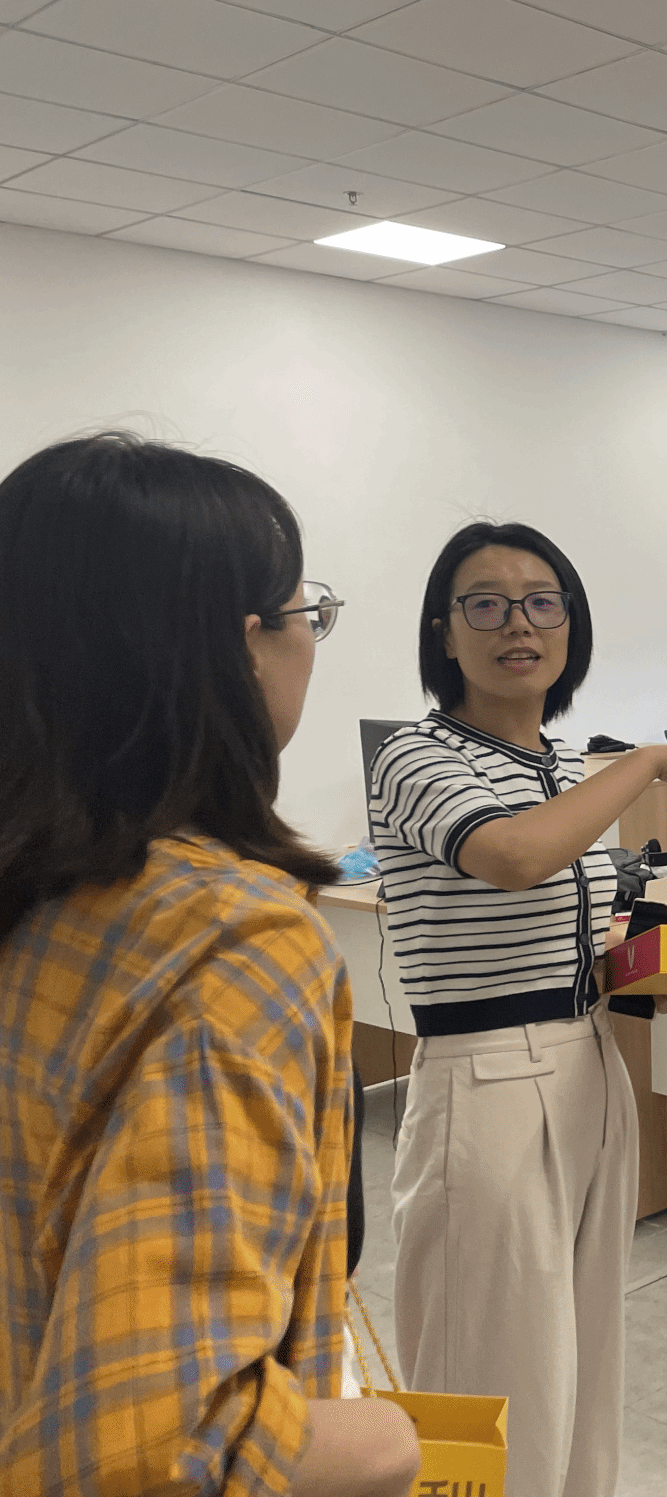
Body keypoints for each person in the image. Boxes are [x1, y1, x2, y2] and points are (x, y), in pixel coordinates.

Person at [0, 433, 420, 1495]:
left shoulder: (39, 895)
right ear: (243, 648)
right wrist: (386, 1443)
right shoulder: (229, 943)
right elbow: (150, 1452)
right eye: (306, 612)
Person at [371, 521, 667, 1497]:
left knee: (580, 1368)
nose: (520, 624)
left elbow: (558, 933)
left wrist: (643, 974)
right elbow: (513, 858)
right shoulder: (416, 756)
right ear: (443, 631)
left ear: (570, 625)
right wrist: (648, 762)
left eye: (543, 602)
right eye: (487, 603)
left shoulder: (553, 765)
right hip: (488, 1082)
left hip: (588, 1063)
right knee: (490, 1378)